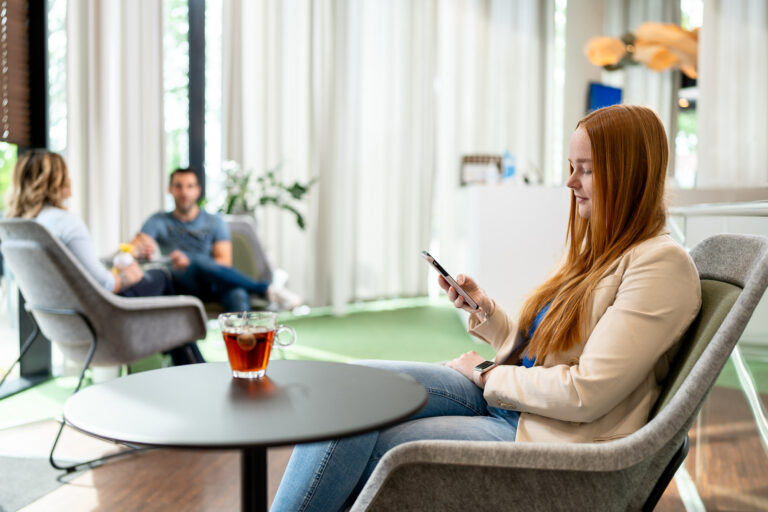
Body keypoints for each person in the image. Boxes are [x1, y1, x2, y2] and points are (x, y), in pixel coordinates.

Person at [270, 104, 702, 511]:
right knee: (349, 387)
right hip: (516, 403)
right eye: (571, 168)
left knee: (389, 444)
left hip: (547, 434)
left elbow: (584, 391)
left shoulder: (660, 266)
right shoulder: (601, 249)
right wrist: (487, 314)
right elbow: (547, 352)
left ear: (629, 175)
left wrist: (485, 372)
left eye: (586, 171)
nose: (570, 183)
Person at [5, 149, 203, 365]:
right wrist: (131, 274)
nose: (70, 179)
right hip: (103, 323)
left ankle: (185, 360)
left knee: (170, 319)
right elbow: (104, 284)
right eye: (66, 174)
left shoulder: (18, 227)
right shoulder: (65, 224)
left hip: (63, 322)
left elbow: (79, 276)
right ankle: (193, 365)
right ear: (56, 181)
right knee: (161, 277)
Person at [131, 168, 301, 312]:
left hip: (212, 283)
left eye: (189, 186)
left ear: (197, 190)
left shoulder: (214, 221)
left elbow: (223, 263)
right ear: (170, 190)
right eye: (178, 186)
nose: (184, 192)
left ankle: (246, 343)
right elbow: (135, 246)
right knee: (195, 261)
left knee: (237, 292)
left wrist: (190, 260)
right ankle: (266, 290)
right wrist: (140, 251)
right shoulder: (158, 220)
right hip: (179, 283)